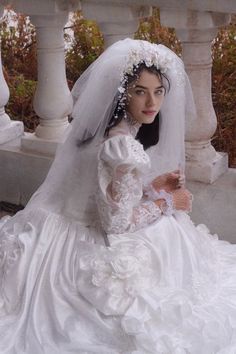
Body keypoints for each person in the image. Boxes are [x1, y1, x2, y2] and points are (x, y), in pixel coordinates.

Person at [0, 38, 236, 354]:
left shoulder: (111, 132)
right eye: (140, 91)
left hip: (55, 221)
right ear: (122, 94)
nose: (152, 102)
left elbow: (101, 192)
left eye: (158, 91)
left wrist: (153, 187)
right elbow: (117, 224)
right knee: (169, 229)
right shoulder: (122, 148)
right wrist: (167, 202)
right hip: (79, 241)